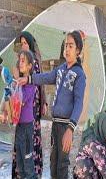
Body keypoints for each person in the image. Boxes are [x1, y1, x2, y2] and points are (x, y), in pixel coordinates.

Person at [17, 30, 86, 178]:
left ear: (78, 50)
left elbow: (79, 102)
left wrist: (70, 129)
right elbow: (46, 77)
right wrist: (28, 79)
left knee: (62, 164)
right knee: (53, 161)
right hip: (55, 124)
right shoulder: (61, 69)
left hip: (65, 126)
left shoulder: (79, 74)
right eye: (65, 46)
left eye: (71, 46)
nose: (66, 49)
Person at [12, 31, 47, 178]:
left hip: (33, 106)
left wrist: (43, 102)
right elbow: (15, 87)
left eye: (26, 43)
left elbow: (40, 83)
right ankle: (21, 173)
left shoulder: (34, 62)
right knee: (21, 146)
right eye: (22, 43)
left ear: (31, 44)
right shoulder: (21, 61)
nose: (24, 46)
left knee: (30, 143)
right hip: (21, 110)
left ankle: (32, 172)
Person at [73, 112, 106, 179]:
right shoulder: (94, 145)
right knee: (86, 165)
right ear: (105, 130)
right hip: (89, 169)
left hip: (99, 162)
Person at [14, 50, 37, 178]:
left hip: (27, 128)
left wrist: (17, 81)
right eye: (19, 60)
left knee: (28, 164)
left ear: (29, 66)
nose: (20, 63)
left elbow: (19, 101)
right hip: (19, 127)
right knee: (20, 163)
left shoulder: (30, 85)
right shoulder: (17, 83)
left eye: (23, 61)